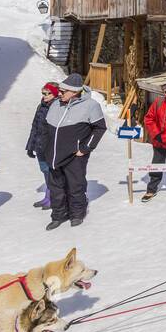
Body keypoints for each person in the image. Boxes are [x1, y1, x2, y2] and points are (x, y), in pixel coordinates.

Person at [44, 73, 108, 229]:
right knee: (55, 188)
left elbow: (100, 128)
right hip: (53, 155)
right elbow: (46, 127)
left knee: (75, 186)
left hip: (75, 155)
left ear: (74, 92)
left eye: (63, 91)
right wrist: (44, 147)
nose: (59, 94)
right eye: (59, 90)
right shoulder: (56, 104)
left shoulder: (91, 106)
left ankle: (77, 214)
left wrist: (85, 148)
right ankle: (58, 215)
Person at [26, 82, 59, 208]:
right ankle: (47, 195)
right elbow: (35, 126)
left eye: (48, 93)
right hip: (39, 146)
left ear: (55, 94)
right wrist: (30, 146)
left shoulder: (57, 107)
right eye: (43, 93)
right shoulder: (41, 106)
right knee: (45, 171)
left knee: (52, 173)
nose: (45, 96)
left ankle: (53, 197)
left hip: (49, 147)